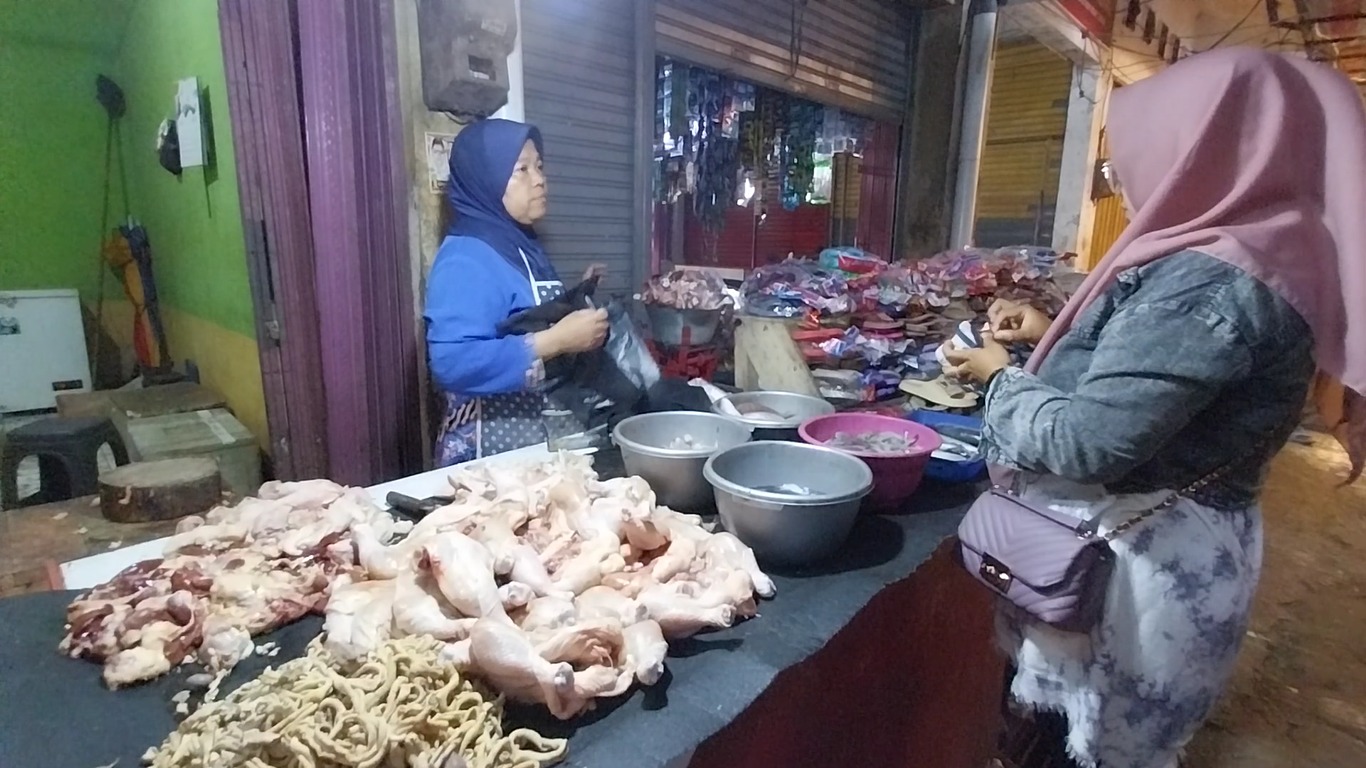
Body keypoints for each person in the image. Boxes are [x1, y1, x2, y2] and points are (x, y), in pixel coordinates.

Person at [944, 48, 1366, 768]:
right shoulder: (1261, 244)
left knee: (1075, 753)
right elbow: (1176, 376)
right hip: (1163, 552)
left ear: (1202, 149)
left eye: (1129, 160)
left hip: (1131, 579)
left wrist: (997, 380)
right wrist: (1061, 338)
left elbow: (1089, 441)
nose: (1126, 180)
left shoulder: (1217, 279)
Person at [425, 119, 608, 466]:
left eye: (539, 166)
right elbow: (451, 363)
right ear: (486, 179)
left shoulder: (520, 244)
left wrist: (577, 297)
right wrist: (556, 341)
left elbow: (521, 314)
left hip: (532, 440)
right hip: (488, 452)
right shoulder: (466, 257)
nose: (539, 179)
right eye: (521, 169)